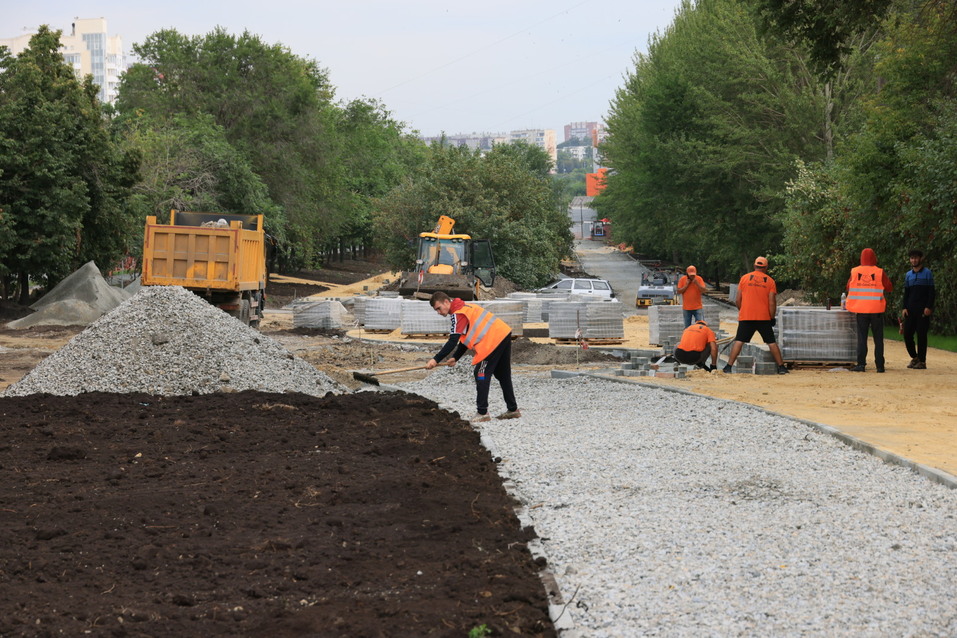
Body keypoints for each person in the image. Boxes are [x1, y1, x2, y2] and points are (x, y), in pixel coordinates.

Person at [426, 291, 520, 423]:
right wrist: (456, 357)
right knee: (503, 374)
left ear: (446, 302)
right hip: (502, 334)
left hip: (492, 341)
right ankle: (513, 410)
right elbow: (467, 338)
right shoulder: (466, 307)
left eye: (439, 308)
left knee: (481, 373)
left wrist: (435, 359)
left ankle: (482, 412)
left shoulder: (458, 314)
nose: (439, 312)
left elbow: (453, 341)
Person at [723, 256, 789, 375]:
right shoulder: (770, 281)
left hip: (746, 316)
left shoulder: (744, 278)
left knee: (739, 341)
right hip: (763, 318)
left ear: (754, 266)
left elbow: (738, 299)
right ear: (766, 268)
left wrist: (742, 310)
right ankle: (781, 367)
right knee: (771, 342)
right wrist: (772, 317)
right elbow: (772, 302)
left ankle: (728, 367)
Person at [845, 248, 893, 372]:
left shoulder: (855, 271)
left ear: (861, 258)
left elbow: (848, 286)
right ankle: (880, 366)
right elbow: (889, 287)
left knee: (862, 338)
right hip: (876, 310)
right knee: (878, 339)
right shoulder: (879, 272)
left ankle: (861, 365)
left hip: (861, 311)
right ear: (874, 258)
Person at [902, 249, 935, 369]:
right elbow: (906, 293)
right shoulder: (908, 275)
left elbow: (931, 292)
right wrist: (904, 307)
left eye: (916, 258)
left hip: (923, 310)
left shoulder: (927, 273)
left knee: (921, 335)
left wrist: (929, 307)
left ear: (920, 259)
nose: (914, 260)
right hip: (910, 310)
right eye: (912, 258)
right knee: (907, 334)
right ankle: (915, 358)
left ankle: (922, 361)